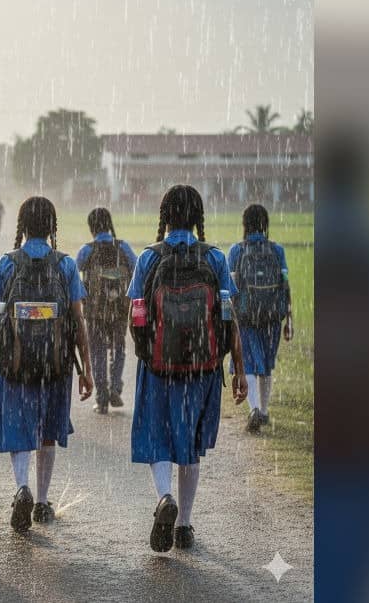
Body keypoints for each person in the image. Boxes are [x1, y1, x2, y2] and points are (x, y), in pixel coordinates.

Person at [128, 185, 246, 552]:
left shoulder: (148, 258)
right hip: (201, 368)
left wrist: (146, 350)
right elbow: (228, 317)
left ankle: (164, 497)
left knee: (157, 437)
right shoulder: (215, 259)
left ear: (164, 216)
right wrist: (239, 369)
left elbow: (136, 313)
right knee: (189, 444)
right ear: (198, 218)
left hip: (158, 367)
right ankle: (184, 525)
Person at [0, 197, 94, 533]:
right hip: (55, 364)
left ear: (22, 225)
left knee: (19, 429)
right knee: (47, 431)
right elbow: (78, 320)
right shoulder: (65, 265)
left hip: (15, 363)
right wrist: (86, 369)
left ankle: (22, 487)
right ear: (51, 227)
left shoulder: (7, 264)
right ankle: (43, 501)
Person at [227, 204, 294, 433]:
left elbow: (230, 288)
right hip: (272, 316)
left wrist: (229, 319)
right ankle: (264, 412)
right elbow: (285, 285)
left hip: (246, 316)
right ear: (265, 224)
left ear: (245, 224)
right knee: (266, 365)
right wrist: (289, 318)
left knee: (247, 363)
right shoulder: (277, 250)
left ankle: (254, 408)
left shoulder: (236, 251)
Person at [75, 207, 138, 414]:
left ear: (91, 227)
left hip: (94, 311)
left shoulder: (87, 250)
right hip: (119, 309)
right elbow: (137, 270)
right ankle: (115, 387)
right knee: (119, 348)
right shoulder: (123, 247)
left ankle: (101, 396)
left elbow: (74, 276)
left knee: (98, 350)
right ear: (109, 224)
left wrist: (84, 296)